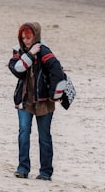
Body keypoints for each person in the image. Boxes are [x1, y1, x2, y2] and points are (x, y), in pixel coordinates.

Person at [8, 22, 67, 181]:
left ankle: (46, 173)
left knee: (44, 137)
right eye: (23, 37)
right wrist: (30, 53)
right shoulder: (18, 52)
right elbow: (17, 69)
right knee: (23, 133)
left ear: (36, 36)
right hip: (24, 100)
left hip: (44, 102)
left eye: (29, 37)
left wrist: (55, 95)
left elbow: (57, 73)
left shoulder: (45, 52)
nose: (26, 41)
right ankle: (23, 169)